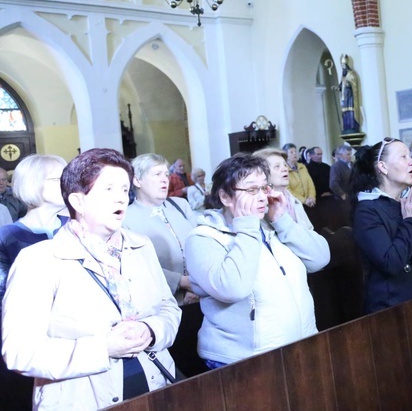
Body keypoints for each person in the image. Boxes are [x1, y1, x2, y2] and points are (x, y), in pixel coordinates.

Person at [2, 148, 181, 410]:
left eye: (123, 189)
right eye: (108, 189)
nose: (120, 198)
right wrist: (105, 348)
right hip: (82, 398)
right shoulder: (39, 261)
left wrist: (152, 330)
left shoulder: (140, 246)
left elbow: (169, 307)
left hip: (155, 387)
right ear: (78, 201)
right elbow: (21, 353)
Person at [184, 152, 329, 367]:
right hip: (243, 359)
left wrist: (283, 221)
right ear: (225, 197)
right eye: (252, 189)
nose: (262, 197)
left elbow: (320, 259)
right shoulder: (203, 238)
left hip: (298, 344)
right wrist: (247, 226)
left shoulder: (272, 223)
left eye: (264, 187)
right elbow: (233, 288)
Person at [0, 154, 68, 411]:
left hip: (76, 341)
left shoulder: (76, 229)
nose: (67, 184)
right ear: (33, 184)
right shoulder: (7, 237)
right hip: (33, 345)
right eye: (57, 179)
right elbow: (4, 300)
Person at [350, 137, 412, 314]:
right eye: (403, 157)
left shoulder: (405, 202)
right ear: (383, 167)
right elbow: (391, 263)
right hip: (391, 307)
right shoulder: (367, 211)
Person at [123, 153, 198, 305]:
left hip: (201, 297)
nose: (165, 179)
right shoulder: (125, 218)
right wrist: (181, 282)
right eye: (157, 174)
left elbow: (201, 247)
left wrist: (198, 286)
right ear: (137, 180)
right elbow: (135, 266)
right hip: (164, 303)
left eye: (166, 174)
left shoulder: (180, 205)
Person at [283, 143, 316, 207]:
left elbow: (310, 183)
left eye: (295, 151)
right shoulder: (284, 169)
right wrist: (304, 201)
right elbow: (287, 190)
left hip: (309, 202)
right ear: (285, 155)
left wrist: (312, 197)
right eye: (291, 152)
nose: (294, 154)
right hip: (295, 204)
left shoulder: (302, 166)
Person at [338, 54, 362, 134]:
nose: (343, 67)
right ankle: (346, 127)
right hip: (344, 98)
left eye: (344, 65)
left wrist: (348, 84)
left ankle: (352, 126)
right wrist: (338, 88)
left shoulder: (351, 74)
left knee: (350, 111)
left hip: (350, 97)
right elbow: (341, 85)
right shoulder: (343, 76)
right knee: (345, 112)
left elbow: (354, 85)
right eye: (342, 65)